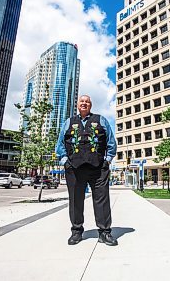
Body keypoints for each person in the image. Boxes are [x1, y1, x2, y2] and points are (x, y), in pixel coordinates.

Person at [56, 95, 118, 246]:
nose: (84, 103)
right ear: (77, 105)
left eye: (87, 101)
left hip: (98, 169)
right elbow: (60, 144)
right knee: (76, 201)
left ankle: (104, 233)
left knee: (102, 201)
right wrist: (65, 162)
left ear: (91, 105)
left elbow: (111, 142)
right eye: (81, 101)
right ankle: (77, 231)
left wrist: (107, 160)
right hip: (75, 169)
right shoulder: (69, 122)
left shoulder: (101, 120)